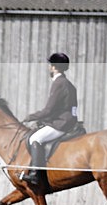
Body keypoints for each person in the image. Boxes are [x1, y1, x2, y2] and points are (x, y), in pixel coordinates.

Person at [21, 53, 78, 185]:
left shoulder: (59, 83)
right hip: (67, 121)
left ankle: (35, 174)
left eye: (50, 65)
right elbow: (65, 108)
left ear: (53, 67)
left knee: (35, 138)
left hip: (61, 124)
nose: (49, 67)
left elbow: (48, 110)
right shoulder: (68, 84)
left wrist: (30, 117)